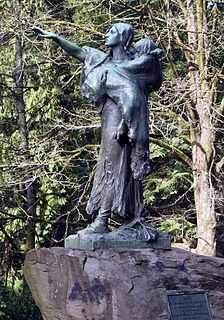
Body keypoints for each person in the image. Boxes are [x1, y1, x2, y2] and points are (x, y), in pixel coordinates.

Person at [32, 23, 162, 235]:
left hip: (125, 125)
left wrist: (125, 124)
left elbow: (138, 97)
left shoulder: (135, 63)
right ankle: (127, 218)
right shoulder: (103, 60)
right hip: (110, 119)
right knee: (112, 166)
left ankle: (103, 221)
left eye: (111, 32)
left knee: (115, 168)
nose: (105, 35)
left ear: (122, 37)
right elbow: (79, 52)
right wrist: (56, 38)